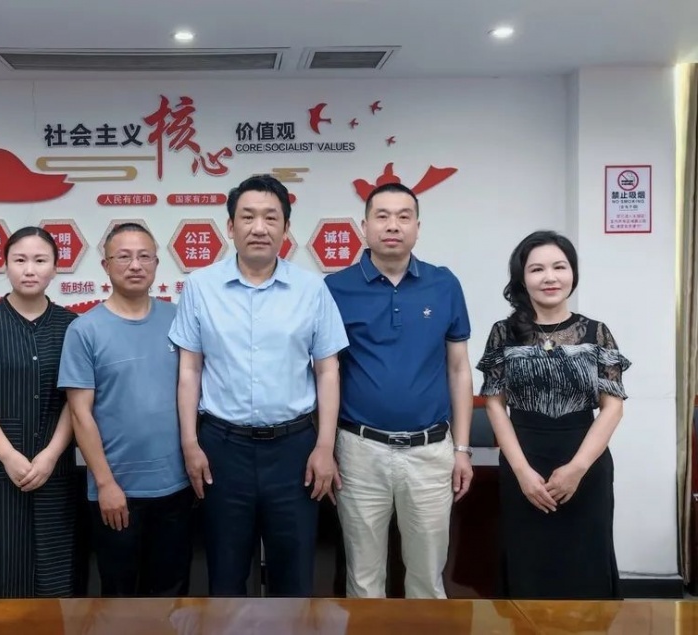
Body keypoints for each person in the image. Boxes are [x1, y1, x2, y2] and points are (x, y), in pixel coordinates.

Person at [169, 174, 349, 597]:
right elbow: (189, 371)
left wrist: (324, 447)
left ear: (286, 229)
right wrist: (190, 444)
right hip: (222, 449)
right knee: (225, 573)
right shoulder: (200, 287)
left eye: (271, 217)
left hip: (294, 451)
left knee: (295, 575)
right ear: (230, 226)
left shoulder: (311, 289)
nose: (259, 228)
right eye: (247, 217)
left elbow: (327, 371)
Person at [324, 182, 474, 599]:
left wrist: (462, 449)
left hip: (430, 451)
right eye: (383, 216)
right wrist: (325, 447)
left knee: (427, 579)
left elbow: (459, 369)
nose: (393, 226)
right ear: (364, 226)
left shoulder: (444, 284)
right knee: (363, 579)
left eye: (404, 217)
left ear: (417, 227)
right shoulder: (335, 289)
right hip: (359, 451)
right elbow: (325, 373)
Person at [477, 230, 629, 599]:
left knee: (585, 567)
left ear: (572, 273)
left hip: (585, 463)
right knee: (528, 566)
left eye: (559, 267)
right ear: (522, 278)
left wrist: (577, 468)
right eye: (537, 269)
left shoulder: (596, 332)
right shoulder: (504, 333)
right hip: (523, 462)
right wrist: (521, 472)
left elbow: (613, 406)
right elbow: (494, 403)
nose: (550, 277)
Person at [58, 223, 192, 597]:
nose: (135, 265)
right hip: (117, 491)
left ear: (156, 263)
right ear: (105, 265)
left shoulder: (178, 320)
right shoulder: (85, 330)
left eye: (144, 256)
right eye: (124, 257)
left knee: (171, 596)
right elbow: (80, 414)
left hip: (176, 486)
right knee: (119, 598)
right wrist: (105, 484)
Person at [0, 226, 80, 598]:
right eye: (20, 260)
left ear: (55, 267)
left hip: (53, 467)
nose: (30, 269)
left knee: (52, 573)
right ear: (5, 265)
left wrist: (51, 455)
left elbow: (76, 399)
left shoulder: (72, 326)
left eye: (40, 260)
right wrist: (8, 455)